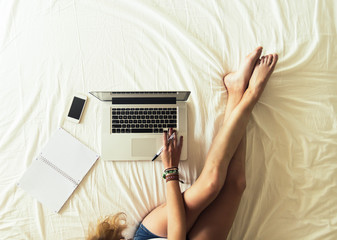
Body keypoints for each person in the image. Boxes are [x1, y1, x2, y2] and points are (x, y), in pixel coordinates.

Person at [87, 47, 278, 240]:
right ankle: (236, 91)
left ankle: (250, 93)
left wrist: (171, 171)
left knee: (211, 185)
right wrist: (171, 170)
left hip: (152, 235)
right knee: (237, 183)